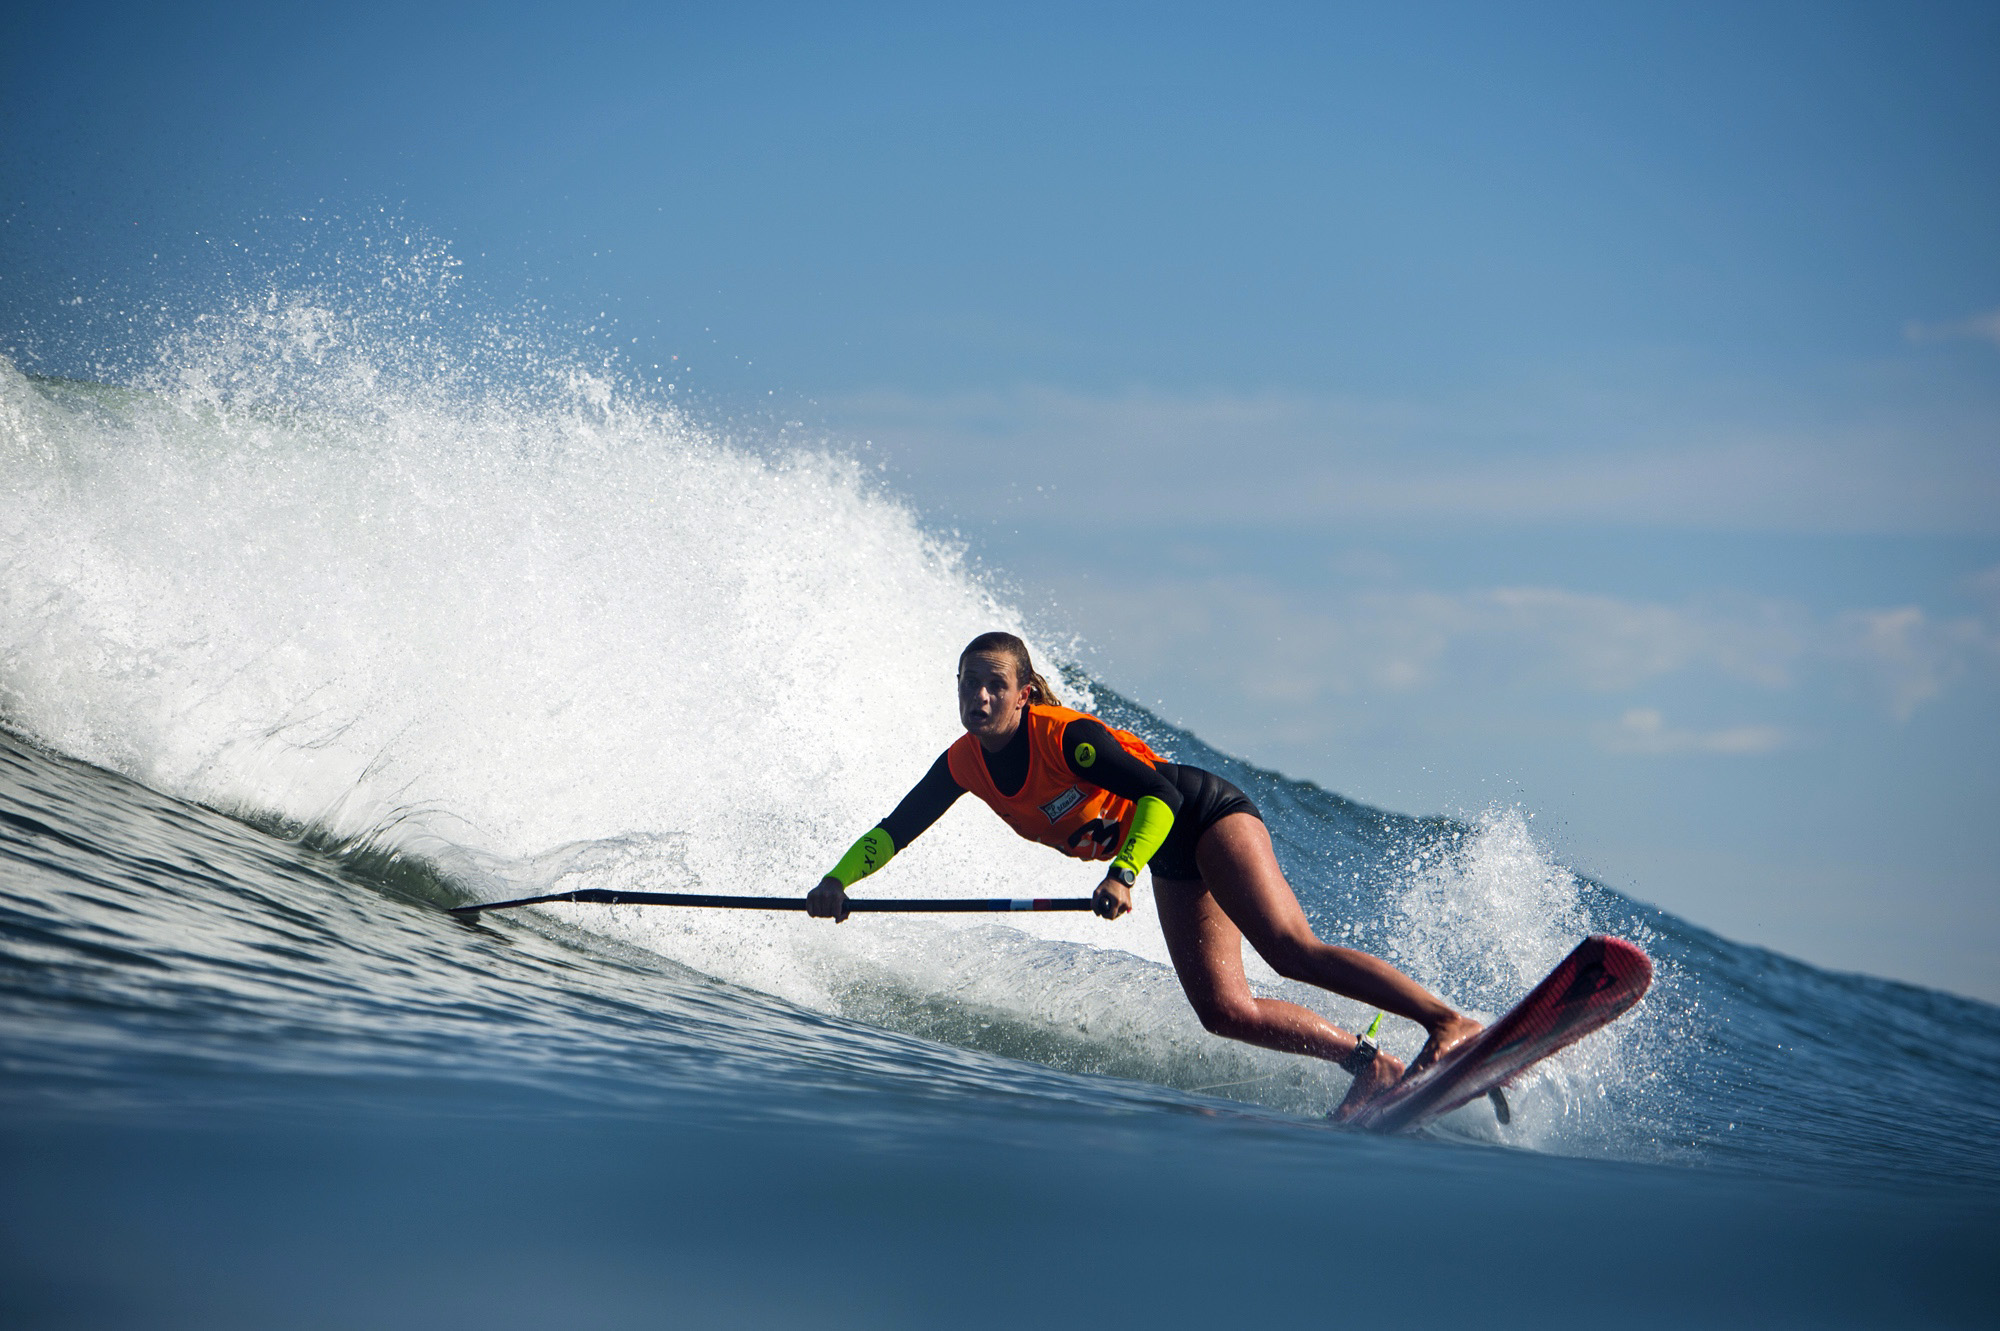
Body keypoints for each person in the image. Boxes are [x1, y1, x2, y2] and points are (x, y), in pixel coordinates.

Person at [806, 631, 1482, 1118]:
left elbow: (1161, 791)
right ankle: (1372, 1066)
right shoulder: (963, 763)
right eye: (967, 684)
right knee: (1223, 1010)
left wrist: (1124, 871)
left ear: (1025, 693)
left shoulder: (1066, 736)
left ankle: (1447, 1021)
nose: (978, 696)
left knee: (1287, 947)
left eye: (994, 684)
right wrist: (839, 880)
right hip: (1169, 853)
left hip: (1204, 811)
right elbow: (895, 829)